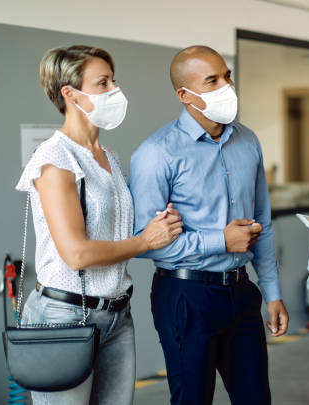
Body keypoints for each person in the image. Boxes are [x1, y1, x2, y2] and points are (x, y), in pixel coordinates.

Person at [15, 45, 183, 405]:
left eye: (113, 80)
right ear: (70, 94)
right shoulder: (54, 159)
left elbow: (114, 231)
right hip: (64, 317)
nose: (114, 91)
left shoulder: (109, 157)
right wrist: (146, 241)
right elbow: (76, 254)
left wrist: (158, 224)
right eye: (103, 82)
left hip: (117, 314)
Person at [128, 45, 289, 405]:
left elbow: (262, 220)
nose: (226, 86)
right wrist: (221, 240)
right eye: (212, 80)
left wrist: (273, 291)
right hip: (186, 297)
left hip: (242, 293)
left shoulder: (248, 140)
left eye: (227, 76)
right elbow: (145, 242)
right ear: (185, 95)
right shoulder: (156, 154)